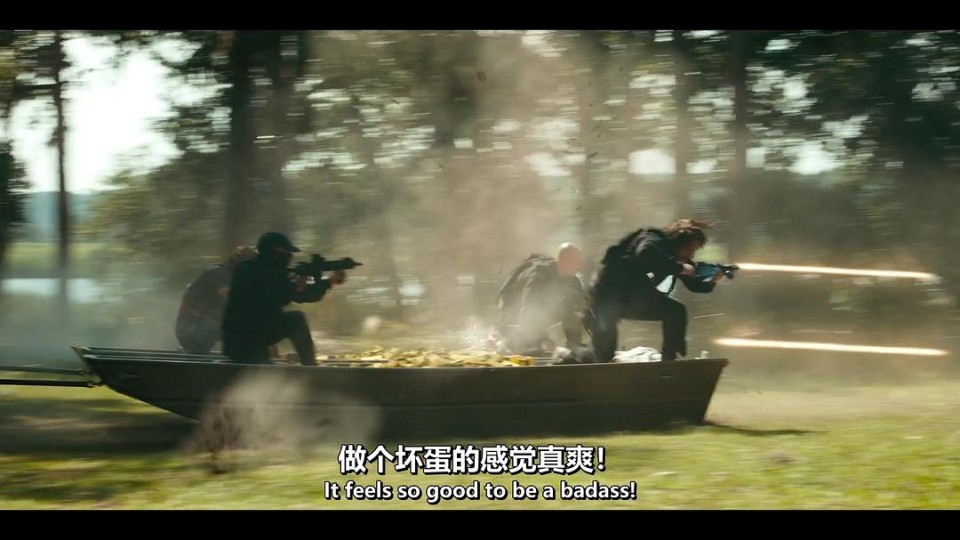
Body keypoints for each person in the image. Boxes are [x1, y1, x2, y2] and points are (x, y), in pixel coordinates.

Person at [582, 218, 725, 363]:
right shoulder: (652, 239)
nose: (691, 256)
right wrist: (680, 267)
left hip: (631, 300)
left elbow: (693, 285)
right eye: (690, 250)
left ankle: (669, 361)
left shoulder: (676, 258)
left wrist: (713, 280)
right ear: (679, 242)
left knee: (675, 311)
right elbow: (645, 252)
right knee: (604, 352)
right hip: (603, 299)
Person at [221, 232, 346, 366]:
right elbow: (279, 293)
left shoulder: (265, 271)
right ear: (274, 251)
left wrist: (329, 282)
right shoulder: (250, 271)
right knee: (297, 319)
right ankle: (310, 367)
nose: (290, 256)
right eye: (286, 252)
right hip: (242, 342)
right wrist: (300, 280)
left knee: (293, 321)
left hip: (253, 341)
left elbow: (305, 294)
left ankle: (308, 366)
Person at [496, 242, 586, 355]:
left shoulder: (573, 281)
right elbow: (529, 308)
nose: (579, 267)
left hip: (539, 312)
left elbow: (574, 313)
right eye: (577, 262)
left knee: (568, 309)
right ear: (564, 259)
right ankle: (507, 344)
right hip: (514, 310)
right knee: (527, 345)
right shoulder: (538, 275)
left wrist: (575, 346)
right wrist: (537, 339)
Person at [175, 246, 257, 355]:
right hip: (193, 329)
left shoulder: (231, 276)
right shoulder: (218, 272)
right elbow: (231, 296)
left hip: (204, 328)